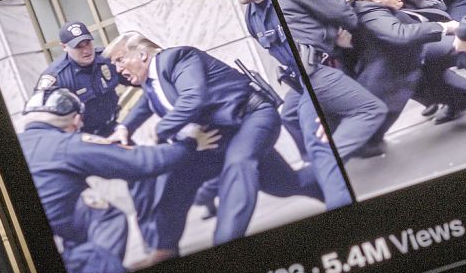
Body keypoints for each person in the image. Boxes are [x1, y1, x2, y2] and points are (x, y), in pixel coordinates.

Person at [105, 34, 319, 257]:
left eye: (120, 60)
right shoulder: (151, 82)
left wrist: (158, 132)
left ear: (142, 55)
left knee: (238, 165)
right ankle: (164, 250)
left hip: (252, 117)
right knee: (285, 184)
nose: (118, 69)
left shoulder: (177, 58)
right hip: (226, 134)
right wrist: (124, 128)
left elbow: (193, 98)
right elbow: (146, 104)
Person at [205, 0, 353, 210]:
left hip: (323, 69)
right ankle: (322, 172)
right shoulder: (252, 15)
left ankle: (340, 196)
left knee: (314, 132)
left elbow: (331, 16)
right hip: (300, 79)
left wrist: (336, 41)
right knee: (290, 115)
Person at [17, 88, 219, 273]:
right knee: (105, 212)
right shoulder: (67, 144)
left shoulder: (18, 143)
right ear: (76, 120)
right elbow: (140, 162)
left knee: (88, 208)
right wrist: (190, 144)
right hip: (54, 224)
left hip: (18, 239)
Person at [272, 0, 388, 160]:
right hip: (317, 64)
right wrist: (347, 0)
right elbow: (345, 15)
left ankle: (325, 161)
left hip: (309, 63)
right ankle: (328, 165)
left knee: (299, 116)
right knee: (370, 109)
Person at [354, 0, 466, 138]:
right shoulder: (371, 14)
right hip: (392, 79)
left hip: (413, 63)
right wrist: (444, 27)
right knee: (365, 141)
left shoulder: (381, 8)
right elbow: (400, 34)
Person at [35, 22, 130, 139]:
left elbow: (139, 80)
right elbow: (41, 120)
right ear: (64, 47)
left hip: (112, 129)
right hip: (80, 138)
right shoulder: (56, 78)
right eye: (79, 46)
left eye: (88, 43)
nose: (86, 50)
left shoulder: (106, 59)